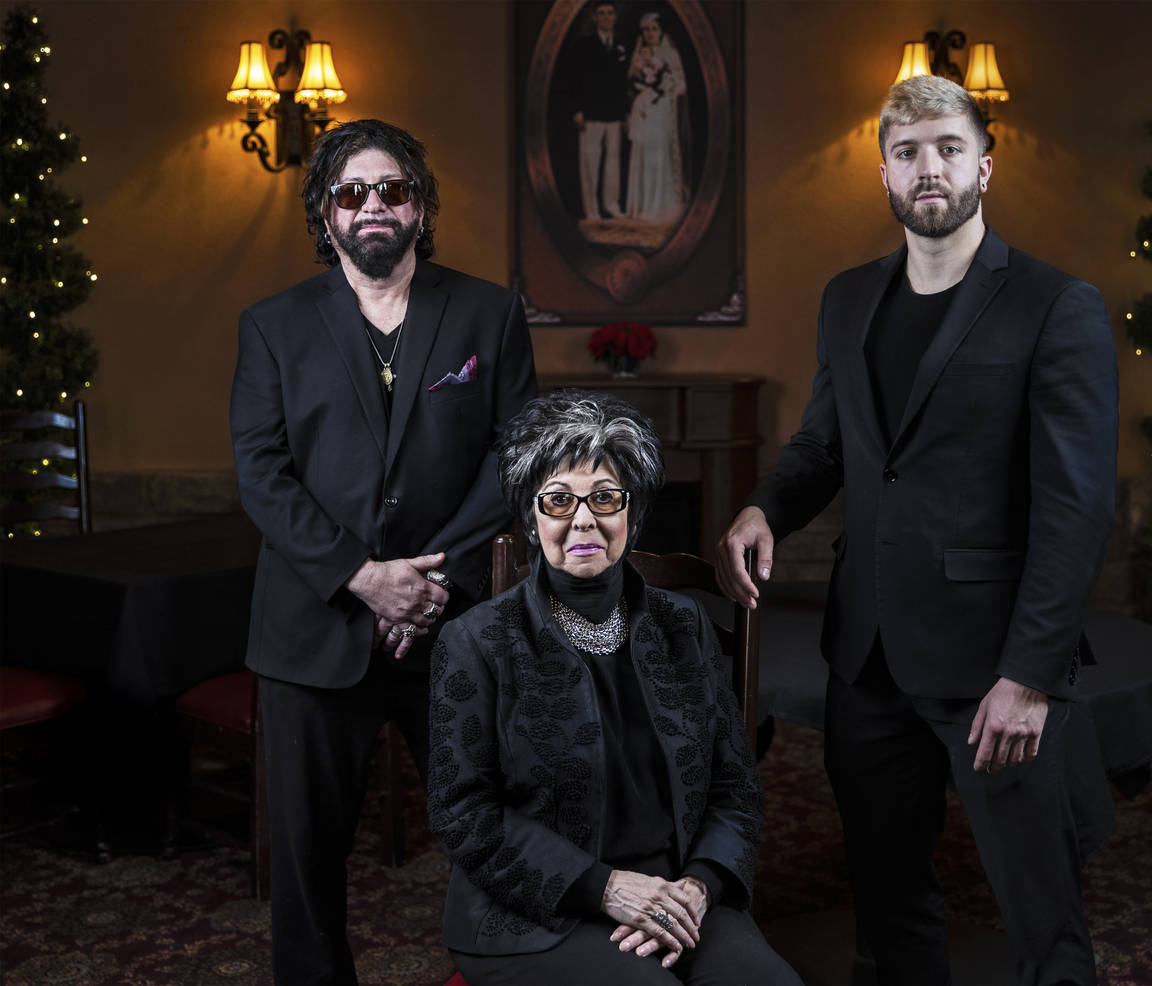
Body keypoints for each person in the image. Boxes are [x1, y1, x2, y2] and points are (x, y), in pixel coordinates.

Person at [716, 75, 1117, 985]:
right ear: (886, 178)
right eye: (906, 153)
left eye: (945, 147)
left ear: (984, 164)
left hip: (994, 671)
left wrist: (1029, 675)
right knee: (890, 912)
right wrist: (764, 507)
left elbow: (1074, 506)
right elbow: (825, 441)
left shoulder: (1057, 305)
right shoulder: (848, 298)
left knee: (1044, 923)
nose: (926, 167)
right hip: (868, 659)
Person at [229, 119, 537, 985]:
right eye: (352, 192)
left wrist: (432, 585)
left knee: (495, 831)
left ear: (421, 205)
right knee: (305, 862)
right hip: (312, 631)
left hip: (453, 624)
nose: (374, 206)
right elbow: (262, 474)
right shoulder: (272, 326)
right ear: (325, 215)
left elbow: (515, 455)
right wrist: (364, 579)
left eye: (393, 189)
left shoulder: (488, 310)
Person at [427, 391, 802, 986]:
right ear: (532, 516)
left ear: (633, 512)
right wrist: (608, 890)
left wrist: (701, 886)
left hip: (679, 891)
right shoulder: (477, 640)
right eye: (558, 500)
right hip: (538, 910)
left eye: (605, 497)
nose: (584, 519)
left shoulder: (685, 625)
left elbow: (736, 785)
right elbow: (464, 815)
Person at [625, 10, 689, 223]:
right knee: (642, 152)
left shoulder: (669, 54)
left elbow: (681, 85)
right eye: (646, 30)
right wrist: (642, 89)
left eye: (654, 29)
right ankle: (640, 204)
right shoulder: (639, 54)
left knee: (657, 154)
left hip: (661, 109)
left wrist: (665, 89)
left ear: (661, 32)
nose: (650, 33)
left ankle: (658, 205)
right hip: (643, 107)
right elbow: (631, 81)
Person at [569, 2, 628, 221]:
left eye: (610, 13)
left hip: (614, 113)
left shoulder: (623, 44)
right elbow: (573, 79)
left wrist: (626, 113)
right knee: (589, 163)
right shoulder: (583, 45)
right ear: (595, 18)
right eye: (601, 13)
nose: (606, 17)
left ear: (615, 17)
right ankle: (591, 210)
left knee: (613, 162)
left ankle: (611, 205)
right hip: (590, 113)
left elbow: (624, 83)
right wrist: (577, 109)